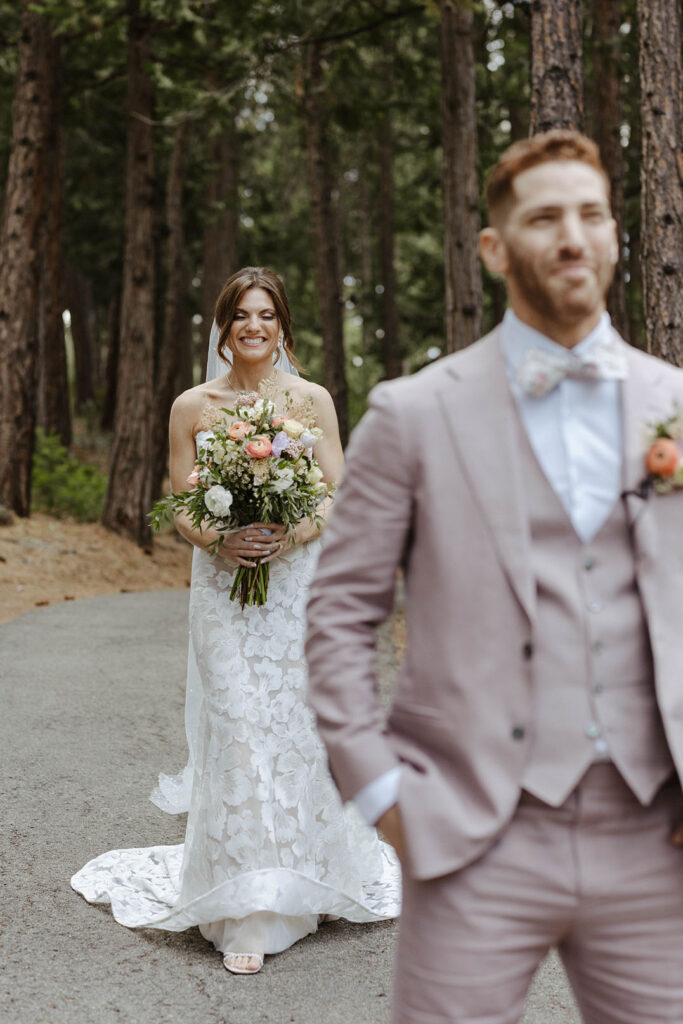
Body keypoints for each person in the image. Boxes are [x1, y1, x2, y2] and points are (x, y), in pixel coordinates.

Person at [305, 132, 683, 1023]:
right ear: (492, 247)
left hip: (653, 836)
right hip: (476, 830)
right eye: (544, 217)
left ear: (615, 236)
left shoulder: (672, 400)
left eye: (590, 215)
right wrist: (379, 788)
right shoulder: (412, 413)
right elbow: (338, 613)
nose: (571, 238)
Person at [72, 266, 400, 975]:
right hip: (221, 590)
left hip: (292, 588)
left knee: (290, 727)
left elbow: (340, 494)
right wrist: (221, 541)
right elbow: (182, 504)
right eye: (240, 315)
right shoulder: (193, 404)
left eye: (266, 315)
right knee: (239, 727)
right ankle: (242, 906)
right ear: (223, 326)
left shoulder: (310, 400)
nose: (254, 327)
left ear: (282, 326)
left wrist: (296, 533)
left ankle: (299, 885)